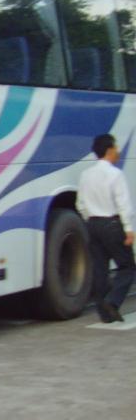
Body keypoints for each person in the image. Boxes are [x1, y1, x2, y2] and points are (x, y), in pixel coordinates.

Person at [77, 133, 134, 323]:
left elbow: (80, 204)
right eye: (116, 148)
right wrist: (128, 229)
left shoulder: (85, 175)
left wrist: (90, 219)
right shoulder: (115, 174)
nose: (118, 151)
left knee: (100, 270)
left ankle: (104, 314)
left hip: (92, 225)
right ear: (109, 150)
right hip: (112, 225)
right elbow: (123, 204)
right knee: (127, 267)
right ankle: (113, 301)